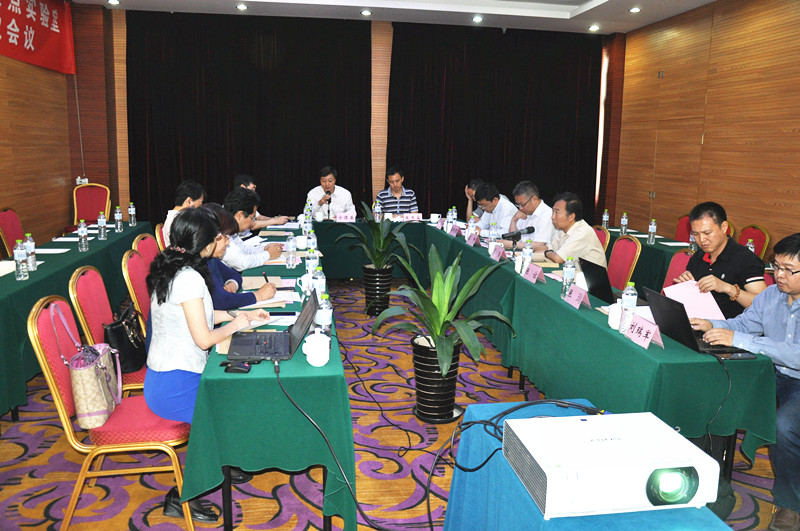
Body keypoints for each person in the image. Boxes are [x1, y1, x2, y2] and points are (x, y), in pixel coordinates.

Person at [144, 207, 268, 522]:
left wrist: (242, 316)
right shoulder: (188, 278)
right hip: (174, 384)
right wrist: (236, 325)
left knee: (231, 395)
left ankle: (224, 460)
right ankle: (181, 495)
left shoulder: (173, 268)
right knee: (226, 412)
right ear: (206, 243)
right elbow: (203, 339)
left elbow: (200, 316)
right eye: (216, 237)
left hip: (166, 376)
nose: (220, 241)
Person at [689, 233, 800, 531]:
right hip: (769, 372)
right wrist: (710, 324)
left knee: (785, 425)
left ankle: (790, 504)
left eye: (789, 270)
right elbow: (743, 325)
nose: (779, 275)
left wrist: (739, 339)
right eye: (776, 267)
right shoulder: (771, 295)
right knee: (715, 390)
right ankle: (709, 476)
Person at [674, 202, 766, 318]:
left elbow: (763, 306)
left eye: (707, 233)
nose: (701, 240)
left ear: (723, 227)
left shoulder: (745, 259)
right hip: (699, 320)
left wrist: (728, 288)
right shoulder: (698, 257)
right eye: (696, 234)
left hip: (730, 325)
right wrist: (686, 284)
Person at [200, 203, 277, 309]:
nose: (228, 243)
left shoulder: (211, 260)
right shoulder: (200, 264)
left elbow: (234, 275)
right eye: (225, 237)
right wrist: (259, 295)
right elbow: (222, 301)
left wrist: (232, 283)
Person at [221, 188, 283, 271]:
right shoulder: (222, 230)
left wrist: (264, 249)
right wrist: (268, 254)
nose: (252, 222)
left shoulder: (230, 227)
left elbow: (243, 249)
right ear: (240, 215)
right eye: (252, 218)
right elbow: (242, 263)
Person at [543, 192, 607, 267]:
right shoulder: (564, 229)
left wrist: (547, 253)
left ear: (571, 217)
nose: (552, 217)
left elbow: (558, 258)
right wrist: (536, 249)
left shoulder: (582, 232)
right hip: (573, 271)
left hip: (590, 274)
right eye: (553, 212)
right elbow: (550, 248)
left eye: (557, 212)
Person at [503, 181, 554, 250]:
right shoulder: (524, 212)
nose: (520, 208)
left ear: (534, 199)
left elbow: (539, 245)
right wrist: (513, 220)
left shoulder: (547, 214)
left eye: (522, 204)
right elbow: (513, 238)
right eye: (518, 205)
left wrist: (512, 244)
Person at [163, 180, 205, 248]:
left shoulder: (174, 217)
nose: (200, 208)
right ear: (189, 201)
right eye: (200, 204)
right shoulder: (178, 221)